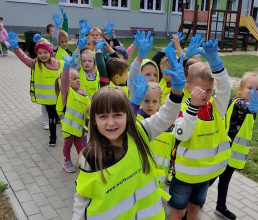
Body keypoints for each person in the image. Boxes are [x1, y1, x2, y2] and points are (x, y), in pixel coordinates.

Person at [72, 48, 186, 220]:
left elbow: (165, 116)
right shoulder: (89, 157)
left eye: (117, 115)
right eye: (103, 116)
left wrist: (177, 91)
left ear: (129, 115)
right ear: (94, 120)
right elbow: (82, 201)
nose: (111, 122)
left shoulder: (140, 132)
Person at [169, 39, 231, 220]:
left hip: (205, 175)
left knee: (194, 210)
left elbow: (225, 87)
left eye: (209, 90)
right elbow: (182, 134)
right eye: (199, 90)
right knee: (179, 212)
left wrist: (215, 62)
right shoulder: (180, 108)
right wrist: (193, 108)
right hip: (184, 176)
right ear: (187, 88)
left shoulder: (215, 107)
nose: (204, 94)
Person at [209, 72, 258, 220]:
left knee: (225, 181)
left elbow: (242, 130)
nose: (254, 91)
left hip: (233, 153)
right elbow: (244, 107)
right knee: (209, 179)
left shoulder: (251, 108)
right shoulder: (238, 103)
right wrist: (251, 107)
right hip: (222, 152)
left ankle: (220, 206)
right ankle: (193, 201)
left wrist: (245, 146)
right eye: (250, 87)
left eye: (257, 89)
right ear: (240, 89)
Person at [6, 31, 63, 147]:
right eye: (40, 53)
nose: (42, 55)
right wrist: (16, 48)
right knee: (52, 117)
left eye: (45, 52)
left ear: (50, 53)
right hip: (48, 100)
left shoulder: (58, 63)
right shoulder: (35, 64)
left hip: (60, 97)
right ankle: (53, 138)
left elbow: (57, 46)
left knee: (61, 116)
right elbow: (24, 58)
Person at [130, 75, 175, 189]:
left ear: (160, 102)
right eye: (146, 101)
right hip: (140, 174)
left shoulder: (166, 123)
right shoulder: (137, 118)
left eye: (154, 101)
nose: (150, 105)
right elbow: (127, 123)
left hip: (159, 176)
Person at [55, 55, 91, 173]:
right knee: (67, 145)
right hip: (69, 128)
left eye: (78, 78)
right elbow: (64, 81)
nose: (78, 80)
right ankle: (66, 161)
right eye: (74, 78)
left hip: (80, 128)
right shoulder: (67, 92)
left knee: (80, 147)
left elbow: (88, 109)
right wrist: (66, 68)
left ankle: (82, 161)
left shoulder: (83, 93)